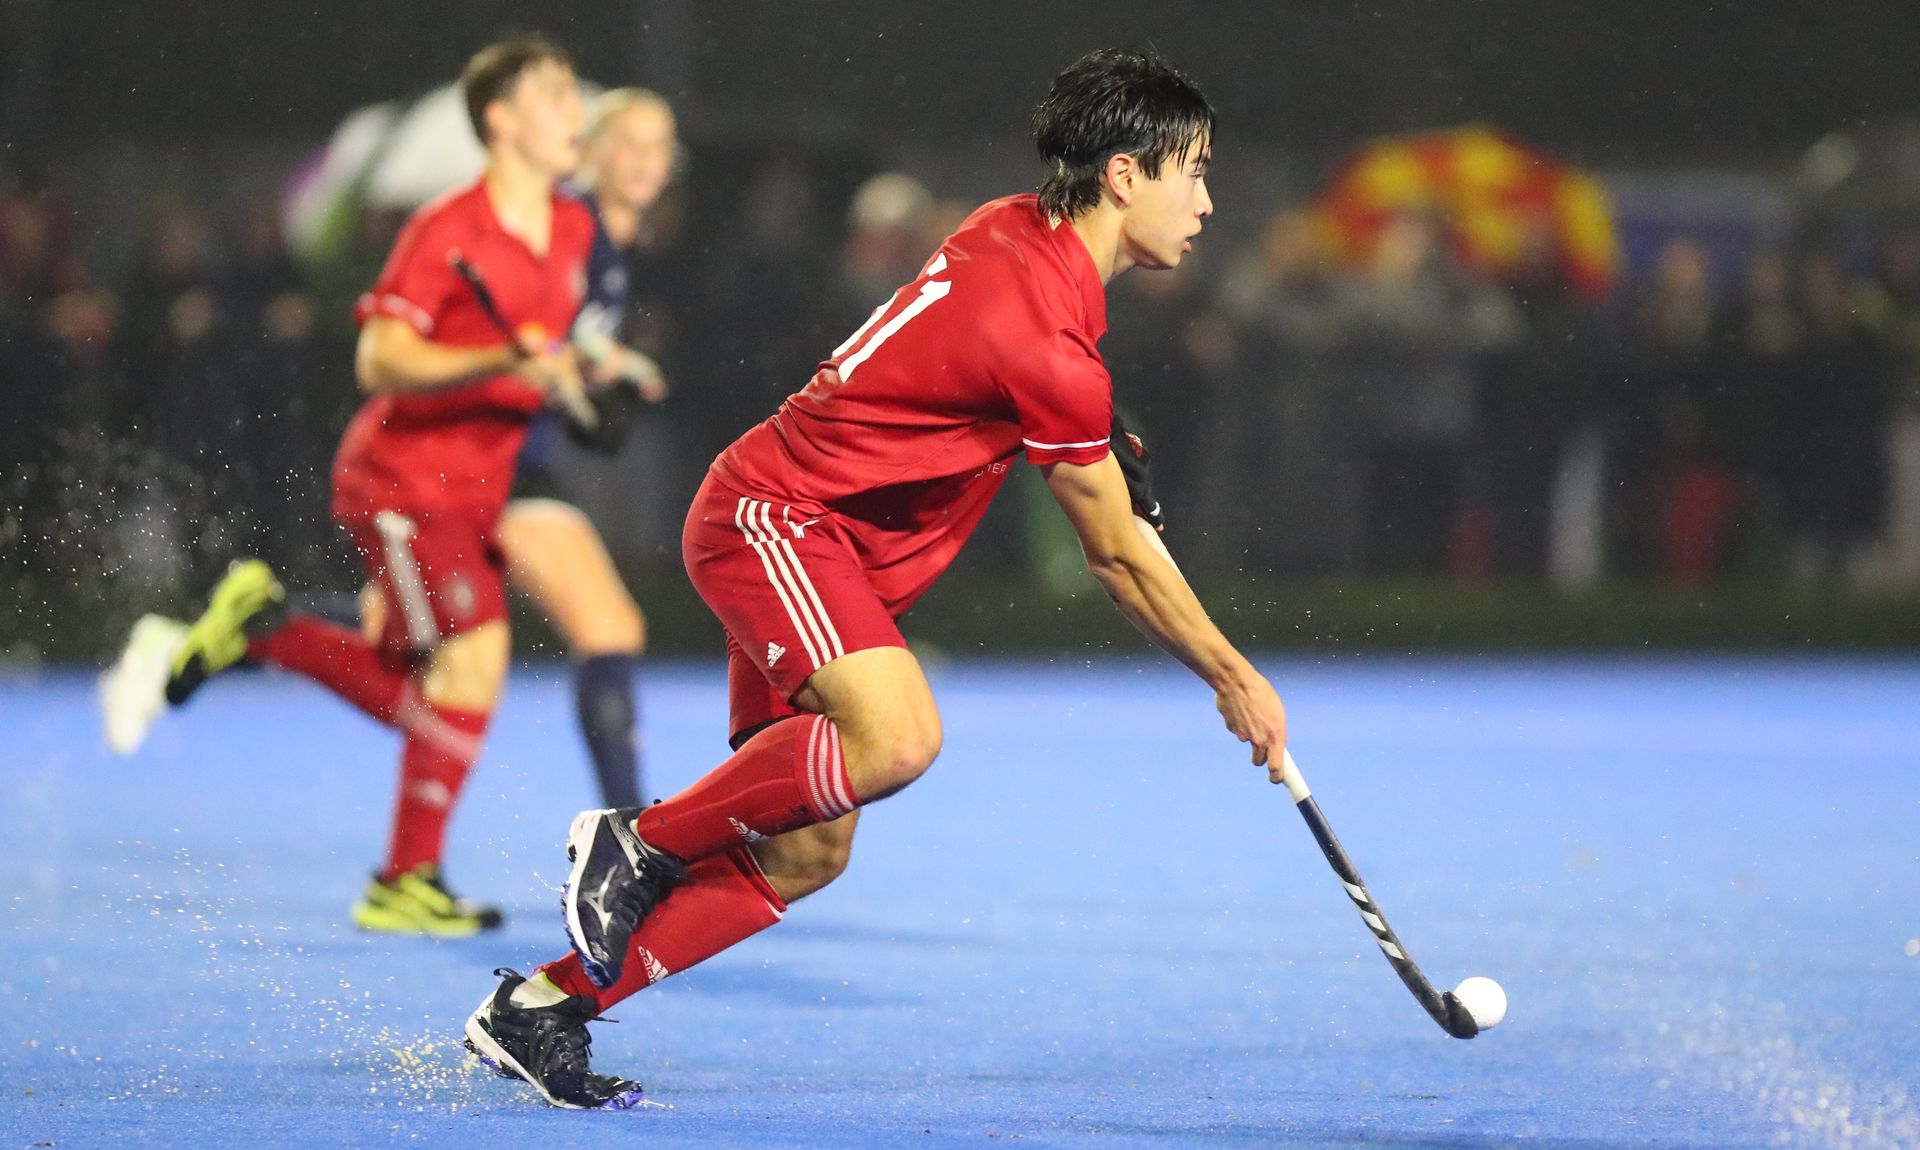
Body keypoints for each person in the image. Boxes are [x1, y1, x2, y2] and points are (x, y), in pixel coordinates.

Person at [460, 48, 1290, 1110]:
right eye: (1196, 172)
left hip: (824, 554)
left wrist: (1100, 428)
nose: (1208, 202)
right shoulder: (1047, 335)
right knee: (898, 737)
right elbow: (1118, 553)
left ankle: (540, 1008)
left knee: (809, 850)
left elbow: (1006, 368)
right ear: (1124, 175)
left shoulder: (1014, 230)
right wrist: (1231, 676)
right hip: (776, 524)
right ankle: (637, 840)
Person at [101, 36, 639, 936]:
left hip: (477, 485)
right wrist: (501, 360)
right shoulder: (448, 228)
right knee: (471, 661)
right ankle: (401, 880)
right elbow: (380, 357)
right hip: (404, 480)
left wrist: (587, 375)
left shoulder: (573, 228)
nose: (573, 110)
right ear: (500, 121)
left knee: (421, 679)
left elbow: (545, 346)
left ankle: (266, 629)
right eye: (552, 95)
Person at [487, 88, 676, 809]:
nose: (645, 160)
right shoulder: (572, 226)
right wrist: (581, 374)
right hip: (488, 451)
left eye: (658, 146)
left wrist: (607, 367)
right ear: (591, 151)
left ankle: (260, 624)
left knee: (414, 638)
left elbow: (568, 335)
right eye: (628, 142)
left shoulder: (612, 245)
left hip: (512, 452)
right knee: (608, 626)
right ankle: (627, 832)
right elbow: (526, 328)